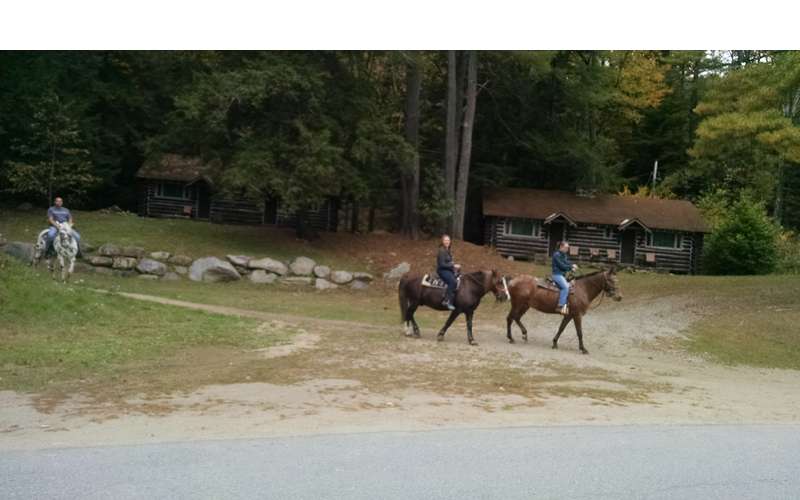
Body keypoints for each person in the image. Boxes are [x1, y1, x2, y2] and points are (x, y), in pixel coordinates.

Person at [552, 241, 578, 315]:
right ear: (561, 247)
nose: (567, 249)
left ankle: (568, 305)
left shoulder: (564, 255)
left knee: (573, 284)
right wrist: (571, 267)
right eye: (566, 248)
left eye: (568, 248)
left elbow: (566, 262)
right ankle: (560, 306)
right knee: (565, 287)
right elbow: (562, 266)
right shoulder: (556, 255)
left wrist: (573, 265)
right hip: (557, 275)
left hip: (562, 275)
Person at [437, 234, 461, 311]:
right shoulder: (441, 251)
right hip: (442, 270)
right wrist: (453, 265)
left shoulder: (448, 250)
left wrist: (454, 266)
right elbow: (442, 264)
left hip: (448, 270)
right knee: (453, 282)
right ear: (442, 241)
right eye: (445, 240)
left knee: (459, 278)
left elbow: (449, 262)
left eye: (448, 240)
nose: (447, 242)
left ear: (450, 241)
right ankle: (446, 300)